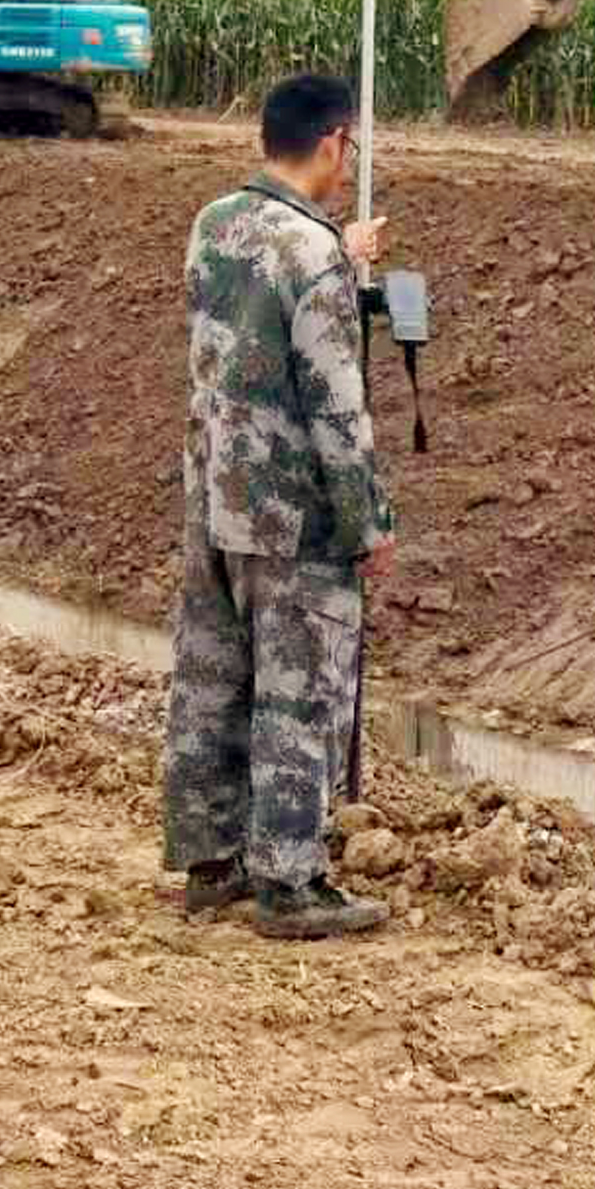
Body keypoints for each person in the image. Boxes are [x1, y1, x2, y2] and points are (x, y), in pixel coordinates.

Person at [161, 71, 397, 940]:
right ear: (334, 142)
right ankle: (291, 884)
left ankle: (211, 863)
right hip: (293, 518)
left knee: (213, 683)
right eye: (350, 147)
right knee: (298, 694)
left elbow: (266, 285)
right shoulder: (316, 255)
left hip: (214, 499)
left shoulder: (215, 223)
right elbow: (337, 410)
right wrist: (368, 522)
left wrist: (339, 252)